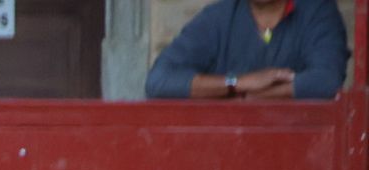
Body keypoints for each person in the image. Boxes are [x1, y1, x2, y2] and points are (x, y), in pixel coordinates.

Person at [145, 0, 347, 99]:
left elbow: (327, 79)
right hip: (223, 151)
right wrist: (236, 82)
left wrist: (255, 97)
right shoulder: (217, 17)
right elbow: (159, 81)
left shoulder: (318, 11)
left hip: (299, 150)